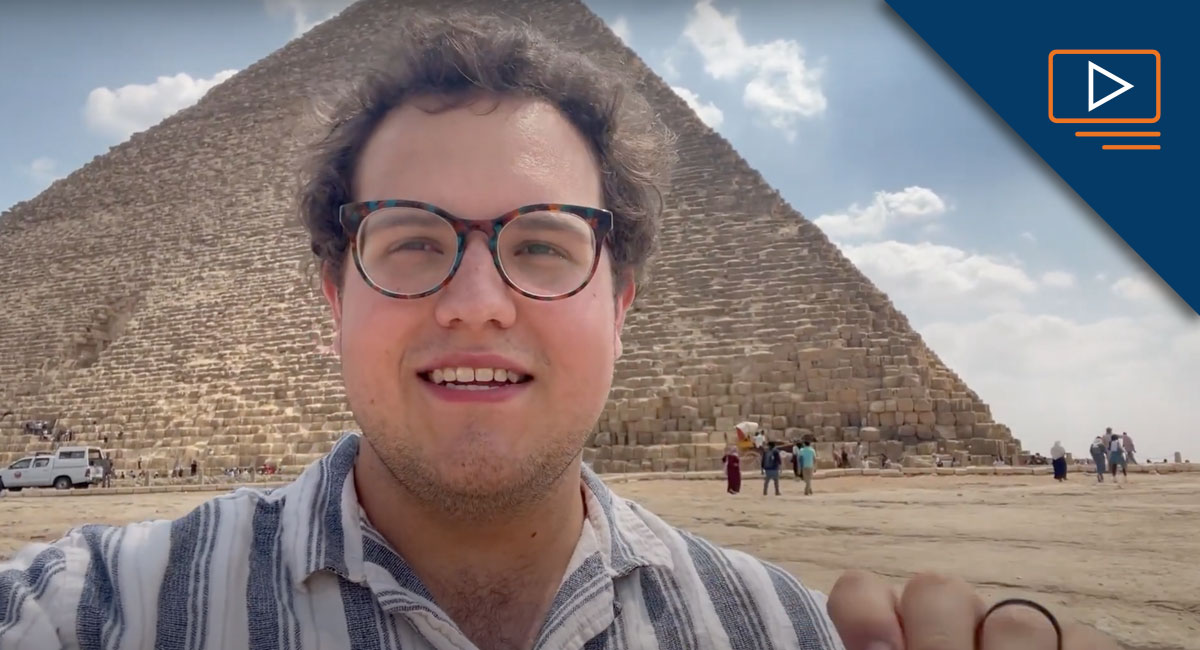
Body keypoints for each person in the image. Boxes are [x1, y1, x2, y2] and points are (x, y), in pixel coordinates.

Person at [0, 12, 1120, 650]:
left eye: (541, 242)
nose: (477, 298)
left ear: (622, 297)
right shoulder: (100, 608)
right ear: (330, 292)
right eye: (408, 238)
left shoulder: (782, 632)